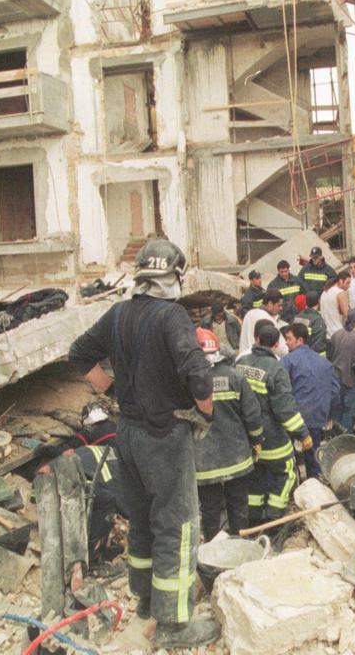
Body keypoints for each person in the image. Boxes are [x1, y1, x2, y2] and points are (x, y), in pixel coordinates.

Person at [67, 239, 218, 646]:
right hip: (164, 435)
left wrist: (113, 388)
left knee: (144, 522)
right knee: (178, 525)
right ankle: (175, 625)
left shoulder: (117, 314)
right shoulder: (171, 316)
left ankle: (147, 603)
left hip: (127, 433)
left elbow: (79, 354)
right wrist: (205, 412)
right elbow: (200, 378)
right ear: (172, 277)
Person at [236, 322, 311, 522]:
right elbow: (285, 409)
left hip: (248, 440)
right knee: (286, 476)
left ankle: (253, 520)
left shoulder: (240, 364)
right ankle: (273, 520)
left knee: (254, 481)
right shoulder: (276, 369)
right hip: (272, 440)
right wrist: (302, 434)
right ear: (276, 343)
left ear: (256, 339)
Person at [193, 328, 263, 541]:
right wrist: (256, 441)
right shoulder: (234, 377)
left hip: (203, 462)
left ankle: (214, 549)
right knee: (238, 503)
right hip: (236, 456)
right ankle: (240, 543)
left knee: (210, 507)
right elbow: (252, 414)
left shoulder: (186, 382)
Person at [281, 322, 338, 477]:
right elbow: (334, 391)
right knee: (313, 456)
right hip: (316, 417)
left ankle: (295, 488)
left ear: (300, 340)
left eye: (289, 339)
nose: (286, 342)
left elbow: (280, 391)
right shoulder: (324, 362)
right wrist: (329, 415)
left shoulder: (287, 361)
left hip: (294, 419)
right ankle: (315, 488)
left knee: (289, 457)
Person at [328, 309, 355, 434]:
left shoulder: (337, 334)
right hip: (348, 381)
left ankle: (335, 437)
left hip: (333, 379)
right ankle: (346, 439)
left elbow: (330, 355)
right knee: (349, 412)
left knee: (337, 410)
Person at [239, 290, 288, 358]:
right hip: (261, 361)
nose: (281, 308)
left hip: (243, 359)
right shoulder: (267, 319)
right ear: (270, 303)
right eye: (279, 305)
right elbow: (281, 350)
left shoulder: (249, 314)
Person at [321, 270, 351, 338]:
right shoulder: (340, 293)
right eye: (347, 283)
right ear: (340, 281)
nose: (349, 285)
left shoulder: (325, 292)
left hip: (326, 334)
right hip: (338, 333)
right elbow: (348, 316)